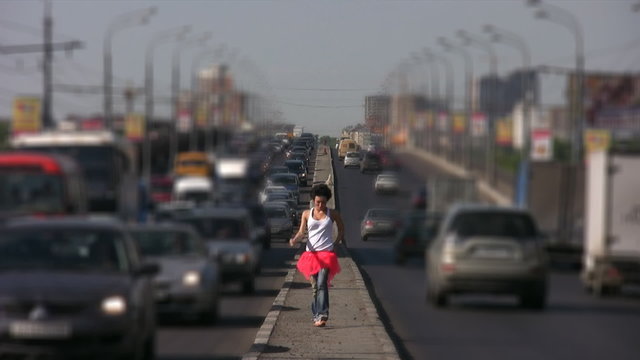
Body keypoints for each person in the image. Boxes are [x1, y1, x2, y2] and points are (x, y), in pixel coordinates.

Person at [289, 184, 345, 327]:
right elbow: (302, 232)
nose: (320, 205)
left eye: (323, 202)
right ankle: (316, 315)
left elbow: (341, 228)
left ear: (327, 201)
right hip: (311, 255)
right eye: (318, 202)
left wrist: (337, 243)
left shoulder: (332, 214)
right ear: (313, 200)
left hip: (326, 254)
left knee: (322, 284)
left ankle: (323, 314)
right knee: (315, 288)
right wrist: (295, 239)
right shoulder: (307, 214)